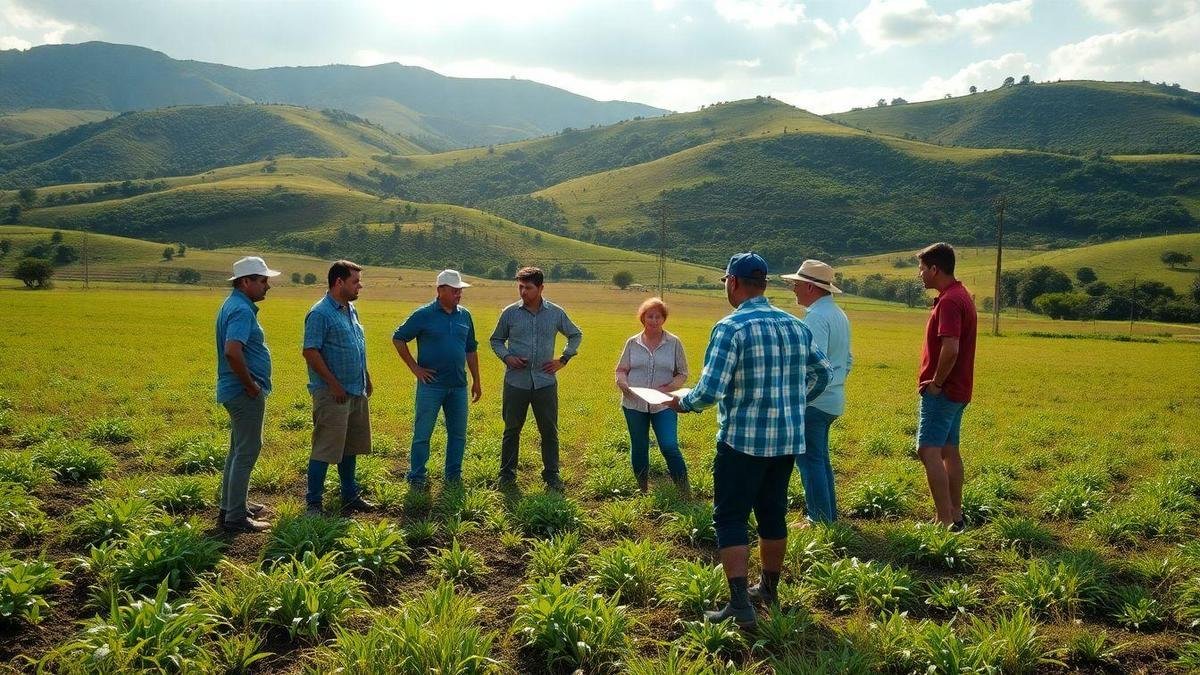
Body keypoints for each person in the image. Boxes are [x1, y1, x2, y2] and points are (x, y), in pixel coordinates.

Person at [668, 252, 832, 628]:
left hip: (741, 441)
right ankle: (769, 590)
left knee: (730, 517)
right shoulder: (795, 326)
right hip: (786, 440)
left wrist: (684, 402)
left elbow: (710, 390)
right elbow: (823, 372)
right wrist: (795, 401)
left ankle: (740, 605)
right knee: (773, 512)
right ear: (764, 284)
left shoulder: (731, 328)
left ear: (733, 282)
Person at [489, 266, 582, 491]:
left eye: (528, 288)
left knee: (549, 431)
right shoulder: (510, 313)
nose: (523, 292)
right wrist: (507, 357)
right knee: (511, 430)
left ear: (541, 288)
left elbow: (575, 334)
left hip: (545, 383)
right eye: (520, 287)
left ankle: (552, 475)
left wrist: (563, 359)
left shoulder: (556, 313)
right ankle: (507, 475)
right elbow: (496, 340)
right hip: (515, 382)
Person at [393, 270, 482, 490]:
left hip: (458, 386)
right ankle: (417, 477)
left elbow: (471, 349)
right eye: (454, 290)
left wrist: (476, 380)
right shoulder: (423, 315)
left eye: (460, 290)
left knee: (458, 435)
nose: (459, 294)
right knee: (423, 434)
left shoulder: (465, 316)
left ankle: (453, 475)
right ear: (440, 290)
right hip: (431, 386)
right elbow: (399, 338)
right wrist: (415, 368)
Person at [782, 260, 853, 524]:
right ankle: (828, 515)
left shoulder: (816, 318)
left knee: (810, 461)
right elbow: (847, 360)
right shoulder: (838, 314)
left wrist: (801, 398)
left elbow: (814, 365)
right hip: (832, 400)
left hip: (813, 402)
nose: (794, 289)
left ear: (811, 287)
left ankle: (819, 519)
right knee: (820, 459)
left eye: (797, 284)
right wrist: (835, 385)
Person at [302, 260, 375, 515]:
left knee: (350, 446)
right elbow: (310, 351)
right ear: (339, 282)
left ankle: (349, 494)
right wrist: (334, 384)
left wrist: (366, 377)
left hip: (355, 389)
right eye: (355, 281)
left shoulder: (350, 310)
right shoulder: (320, 313)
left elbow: (357, 346)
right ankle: (313, 502)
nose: (359, 286)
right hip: (332, 394)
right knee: (325, 447)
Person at [215, 256, 280, 533]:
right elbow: (232, 351)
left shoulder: (233, 304)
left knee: (237, 451)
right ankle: (235, 517)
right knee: (247, 451)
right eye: (263, 281)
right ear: (245, 282)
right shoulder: (241, 310)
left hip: (235, 389)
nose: (267, 286)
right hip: (242, 392)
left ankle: (231, 505)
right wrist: (251, 385)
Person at [914, 242, 977, 531]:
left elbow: (951, 348)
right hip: (959, 389)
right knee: (949, 450)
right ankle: (955, 514)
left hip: (945, 390)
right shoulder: (960, 295)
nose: (920, 274)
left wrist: (936, 383)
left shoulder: (950, 301)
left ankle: (944, 520)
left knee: (928, 450)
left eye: (922, 268)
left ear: (935, 269)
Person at [614, 297, 689, 496]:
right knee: (639, 446)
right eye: (650, 316)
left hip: (664, 404)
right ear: (643, 318)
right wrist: (622, 383)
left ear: (664, 319)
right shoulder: (633, 343)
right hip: (634, 403)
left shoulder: (674, 343)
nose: (654, 320)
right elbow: (621, 369)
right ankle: (642, 488)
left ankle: (684, 491)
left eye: (658, 317)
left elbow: (683, 373)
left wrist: (670, 387)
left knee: (669, 445)